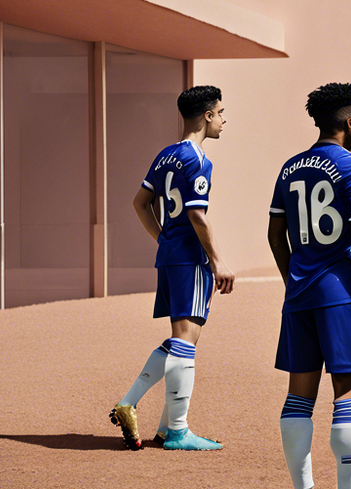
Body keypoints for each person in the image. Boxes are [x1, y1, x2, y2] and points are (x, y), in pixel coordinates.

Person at [269, 83, 351, 489]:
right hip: (342, 296)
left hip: (299, 296)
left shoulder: (289, 167)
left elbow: (275, 235)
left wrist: (296, 279)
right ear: (349, 121)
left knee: (298, 399)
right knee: (350, 395)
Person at [110, 85, 234, 451]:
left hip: (169, 255)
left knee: (182, 339)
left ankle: (162, 426)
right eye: (221, 113)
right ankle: (174, 430)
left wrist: (163, 238)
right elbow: (197, 215)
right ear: (207, 116)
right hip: (190, 258)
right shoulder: (199, 160)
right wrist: (218, 260)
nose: (224, 120)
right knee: (186, 340)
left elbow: (139, 202)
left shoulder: (165, 156)